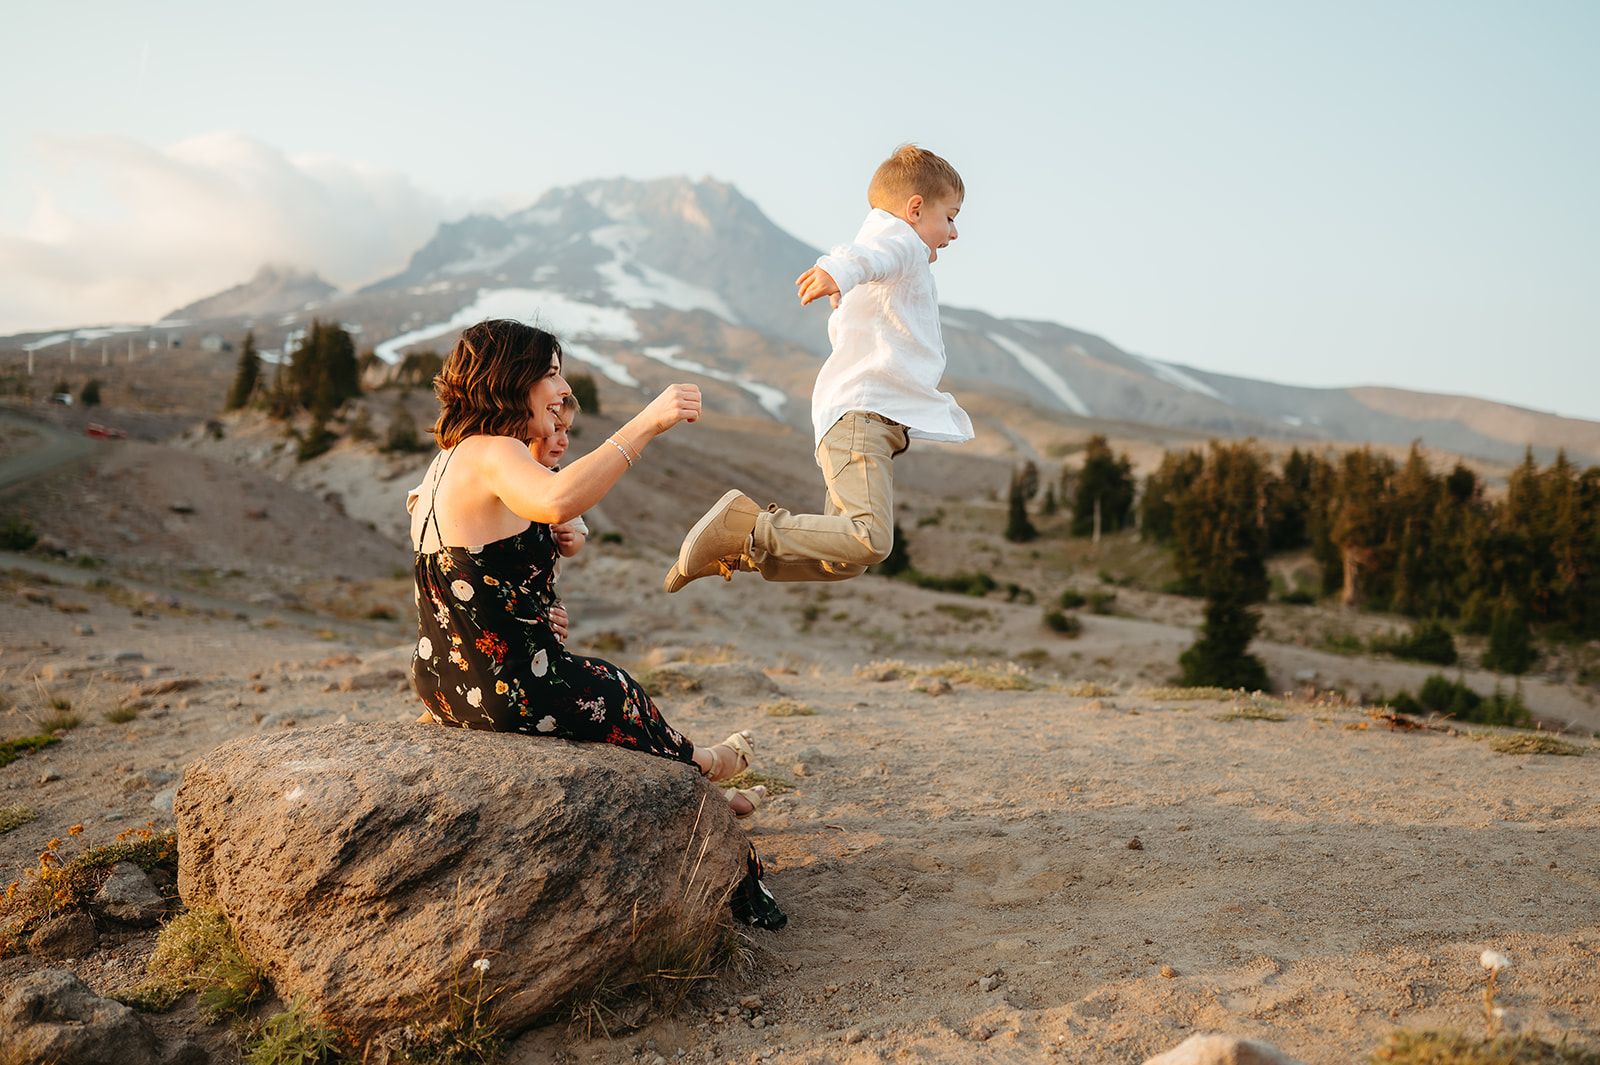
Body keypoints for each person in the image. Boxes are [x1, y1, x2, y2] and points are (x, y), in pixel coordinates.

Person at [408, 320, 777, 856]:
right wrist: (646, 423)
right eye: (552, 375)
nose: (562, 391)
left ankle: (710, 791)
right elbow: (558, 500)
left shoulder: (447, 460)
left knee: (601, 690)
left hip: (441, 685)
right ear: (512, 377)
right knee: (614, 690)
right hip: (506, 693)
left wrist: (533, 605)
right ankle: (707, 770)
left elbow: (464, 564)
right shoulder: (492, 451)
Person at [664, 144, 974, 591]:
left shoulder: (903, 252)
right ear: (915, 209)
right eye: (951, 216)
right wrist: (837, 271)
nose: (955, 232)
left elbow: (877, 259)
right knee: (870, 540)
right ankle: (745, 527)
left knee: (845, 559)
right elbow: (869, 255)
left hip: (863, 421)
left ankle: (739, 548)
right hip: (863, 418)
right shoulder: (898, 239)